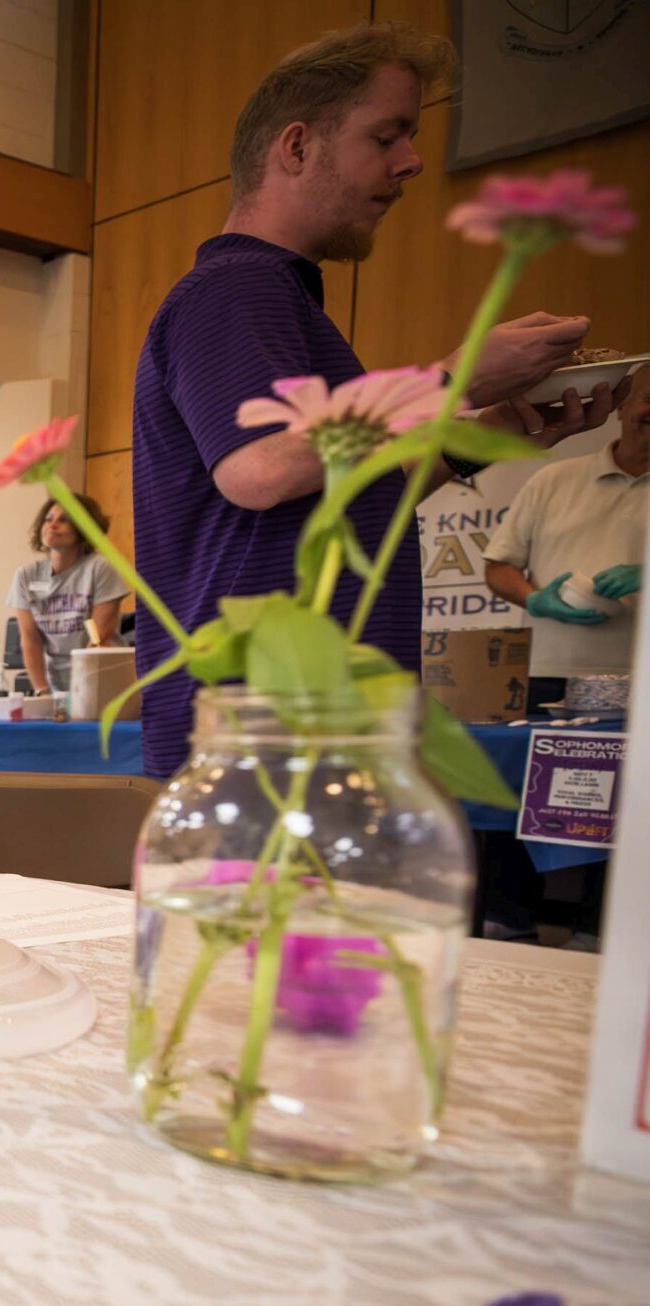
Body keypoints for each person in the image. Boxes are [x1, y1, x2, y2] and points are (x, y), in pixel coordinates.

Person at [129, 21, 611, 777]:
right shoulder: (236, 289)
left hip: (304, 730)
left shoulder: (277, 299)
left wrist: (481, 434)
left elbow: (338, 490)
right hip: (269, 739)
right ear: (296, 146)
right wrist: (455, 379)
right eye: (386, 137)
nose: (412, 161)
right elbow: (260, 470)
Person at [483, 368, 646, 705]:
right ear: (622, 407)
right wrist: (534, 599)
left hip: (642, 677)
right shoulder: (552, 479)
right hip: (545, 673)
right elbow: (499, 567)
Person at [9, 493, 130, 704]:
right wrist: (43, 693)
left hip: (102, 682)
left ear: (83, 527)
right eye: (48, 519)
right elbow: (30, 640)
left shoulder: (101, 568)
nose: (52, 525)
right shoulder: (26, 575)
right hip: (57, 686)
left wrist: (82, 696)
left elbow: (98, 639)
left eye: (63, 520)